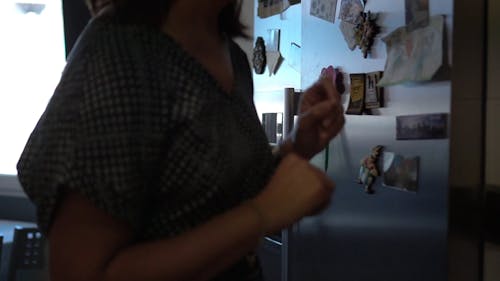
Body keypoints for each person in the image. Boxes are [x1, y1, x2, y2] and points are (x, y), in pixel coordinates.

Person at [16, 0, 345, 280]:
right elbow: (81, 273)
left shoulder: (230, 54)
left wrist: (297, 146)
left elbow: (218, 196)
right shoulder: (121, 54)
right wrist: (264, 213)